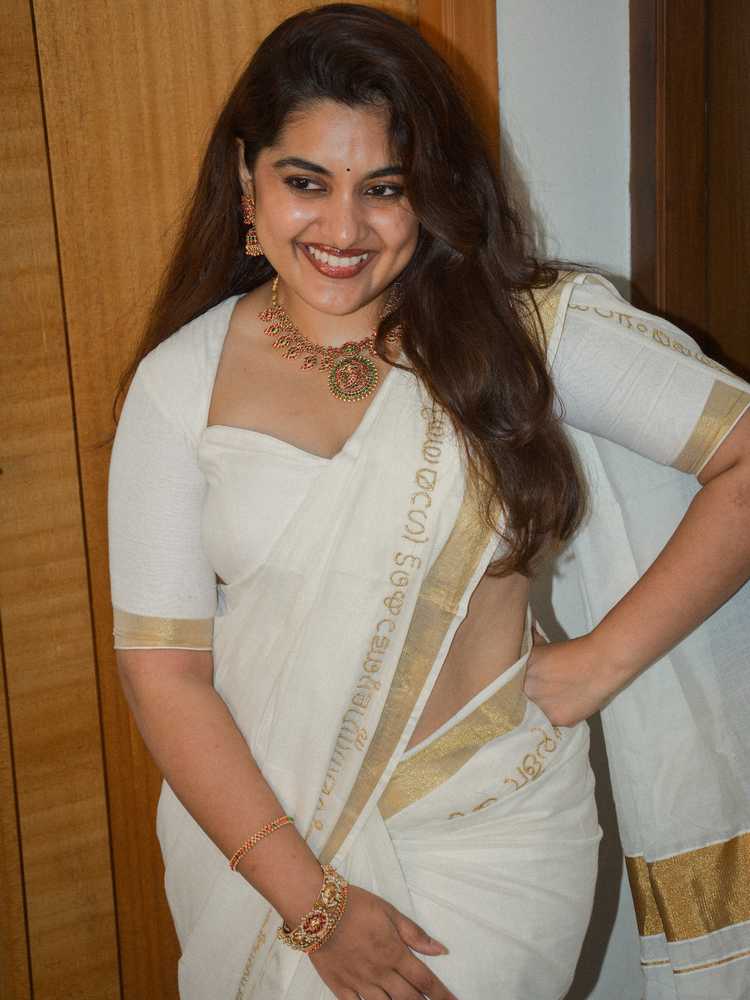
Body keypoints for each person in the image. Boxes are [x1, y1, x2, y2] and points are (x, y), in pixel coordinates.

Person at [107, 5, 750, 999]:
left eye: (385, 189)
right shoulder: (178, 385)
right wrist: (315, 909)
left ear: (431, 193)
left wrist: (598, 665)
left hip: (492, 834)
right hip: (270, 846)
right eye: (306, 182)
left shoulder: (521, 336)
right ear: (246, 178)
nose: (343, 229)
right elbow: (165, 677)